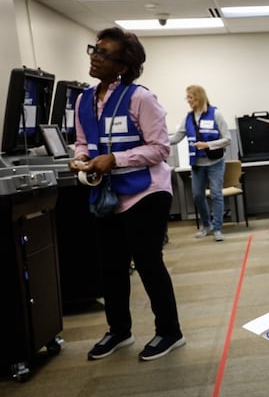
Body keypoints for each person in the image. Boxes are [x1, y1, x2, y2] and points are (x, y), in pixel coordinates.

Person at [68, 27, 185, 361]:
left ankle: (169, 331)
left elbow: (160, 149)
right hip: (107, 194)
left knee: (148, 262)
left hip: (146, 191)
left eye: (104, 53)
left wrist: (115, 159)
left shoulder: (140, 98)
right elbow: (82, 141)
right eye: (95, 49)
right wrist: (80, 159)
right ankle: (119, 330)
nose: (94, 56)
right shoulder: (83, 100)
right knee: (112, 266)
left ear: (122, 66)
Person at [169, 85, 231, 241]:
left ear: (199, 97)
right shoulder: (188, 118)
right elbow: (176, 138)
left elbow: (227, 139)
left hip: (215, 162)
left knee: (216, 194)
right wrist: (156, 141)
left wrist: (208, 145)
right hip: (197, 163)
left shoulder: (216, 114)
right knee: (197, 195)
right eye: (187, 97)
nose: (188, 101)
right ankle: (206, 224)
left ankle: (217, 228)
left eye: (191, 97)